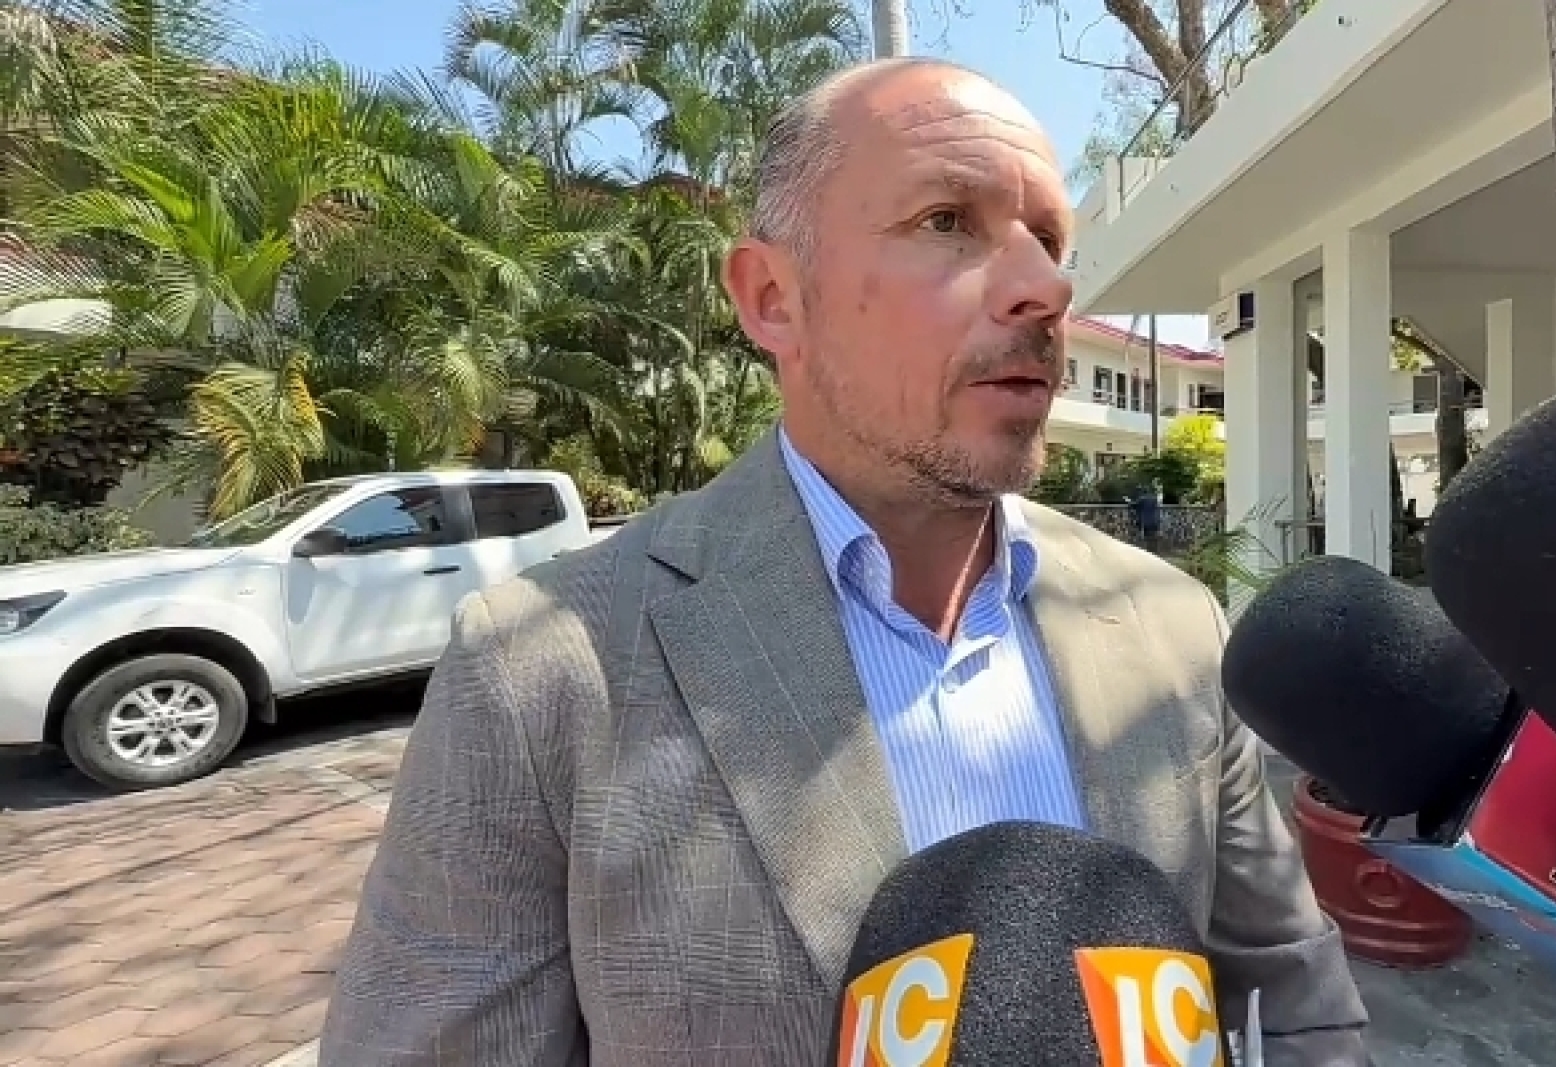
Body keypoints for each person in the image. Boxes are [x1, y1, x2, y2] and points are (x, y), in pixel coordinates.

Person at [317, 57, 1370, 1065]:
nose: (1045, 286)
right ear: (773, 297)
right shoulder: (543, 671)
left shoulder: (1170, 621)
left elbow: (1288, 999)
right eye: (947, 221)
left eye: (1049, 238)